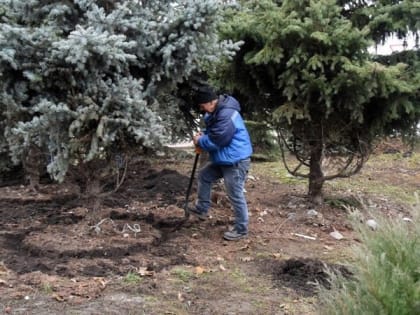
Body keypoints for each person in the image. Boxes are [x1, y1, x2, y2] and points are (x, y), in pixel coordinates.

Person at [189, 85, 253, 241]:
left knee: (235, 194)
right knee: (204, 175)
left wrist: (200, 140)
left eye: (202, 105)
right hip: (224, 159)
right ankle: (202, 209)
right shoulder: (216, 112)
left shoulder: (227, 114)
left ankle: (241, 229)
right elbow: (214, 133)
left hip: (235, 162)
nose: (201, 108)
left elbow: (218, 140)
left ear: (211, 102)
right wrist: (203, 135)